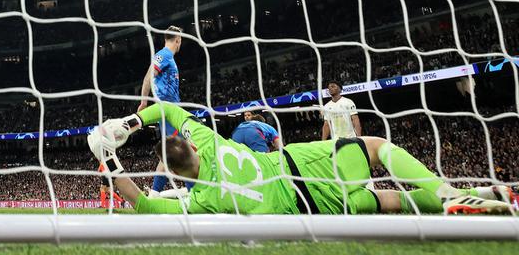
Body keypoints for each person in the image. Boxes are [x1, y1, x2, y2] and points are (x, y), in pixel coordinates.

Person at [88, 102, 514, 215]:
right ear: (193, 146)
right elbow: (167, 109)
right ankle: (450, 192)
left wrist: (108, 161)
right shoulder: (209, 140)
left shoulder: (203, 201)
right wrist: (129, 123)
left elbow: (144, 204)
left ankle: (480, 196)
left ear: (171, 173)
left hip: (311, 207)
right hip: (299, 163)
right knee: (377, 147)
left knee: (388, 202)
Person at [138, 25, 184, 195]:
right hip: (169, 110)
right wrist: (144, 101)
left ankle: (155, 193)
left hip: (172, 110)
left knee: (171, 152)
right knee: (182, 148)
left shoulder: (168, 57)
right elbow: (148, 77)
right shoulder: (164, 55)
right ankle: (193, 190)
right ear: (177, 40)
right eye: (180, 41)